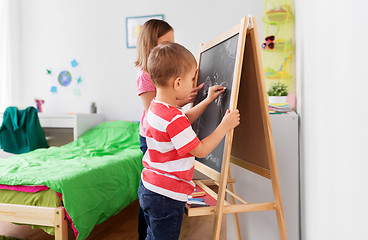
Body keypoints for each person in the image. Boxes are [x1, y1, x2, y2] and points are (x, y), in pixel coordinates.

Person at [138, 42, 240, 240]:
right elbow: (200, 150)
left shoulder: (157, 107)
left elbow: (183, 121)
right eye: (192, 78)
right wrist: (224, 126)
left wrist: (207, 100)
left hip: (150, 188)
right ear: (177, 83)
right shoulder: (173, 118)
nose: (194, 82)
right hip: (166, 195)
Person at [135, 19, 202, 240]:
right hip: (153, 136)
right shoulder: (146, 77)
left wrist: (183, 99)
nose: (170, 47)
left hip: (165, 131)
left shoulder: (167, 87)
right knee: (155, 190)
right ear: (150, 44)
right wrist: (180, 102)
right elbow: (159, 111)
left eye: (173, 42)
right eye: (165, 43)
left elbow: (168, 108)